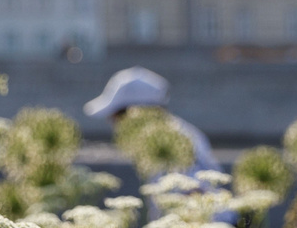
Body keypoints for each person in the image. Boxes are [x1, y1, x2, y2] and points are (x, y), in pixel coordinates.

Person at [84, 66, 221, 174]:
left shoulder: (175, 143)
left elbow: (197, 193)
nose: (112, 123)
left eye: (116, 116)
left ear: (136, 114)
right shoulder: (172, 135)